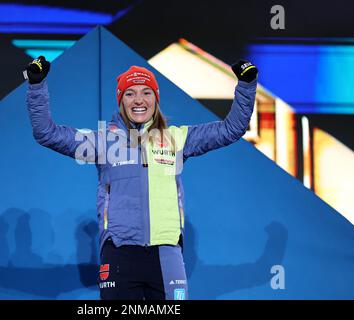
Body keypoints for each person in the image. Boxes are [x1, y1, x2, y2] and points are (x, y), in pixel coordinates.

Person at [25, 56, 258, 300]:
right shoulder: (103, 141)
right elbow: (46, 133)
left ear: (156, 99)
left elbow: (231, 128)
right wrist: (36, 85)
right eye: (130, 93)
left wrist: (247, 85)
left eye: (146, 92)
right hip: (119, 253)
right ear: (120, 100)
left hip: (167, 253)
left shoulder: (176, 139)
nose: (139, 100)